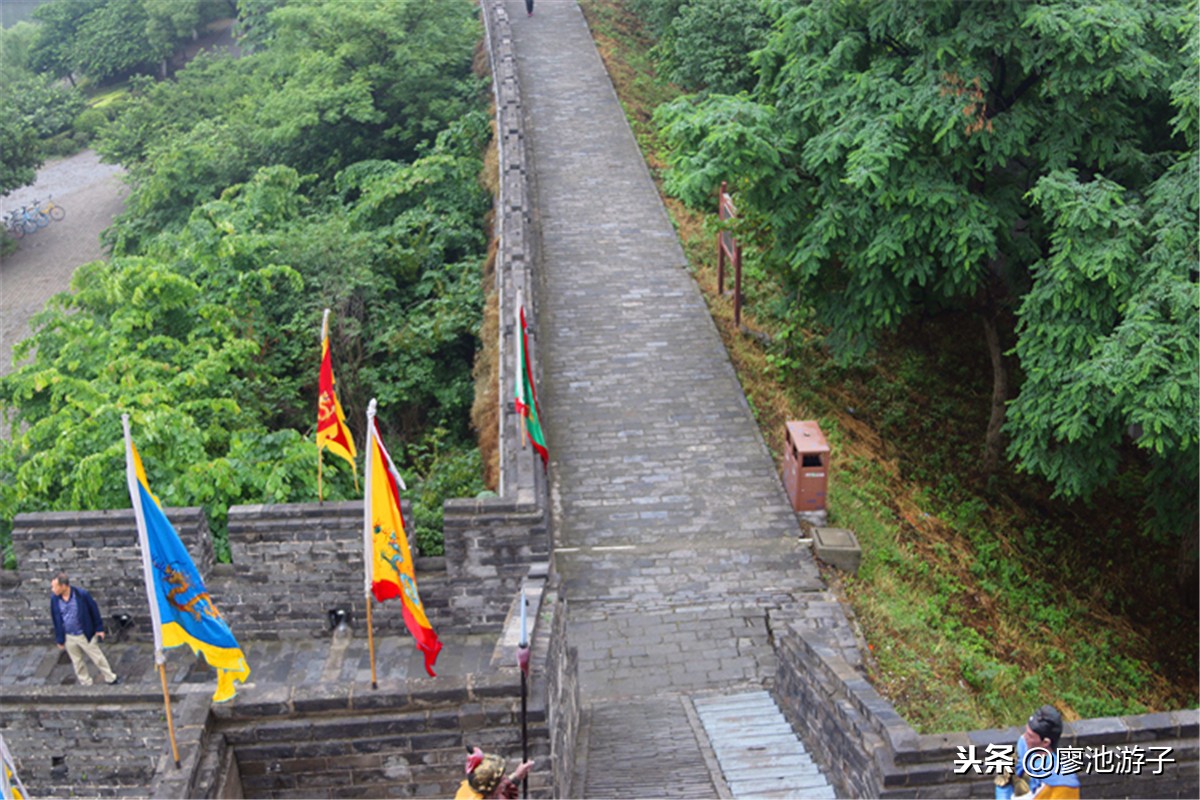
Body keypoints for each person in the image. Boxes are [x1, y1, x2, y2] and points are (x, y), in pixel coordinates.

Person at [49, 572, 120, 686]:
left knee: (97, 658)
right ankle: (85, 682)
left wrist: (99, 628)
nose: (53, 590)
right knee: (77, 662)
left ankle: (110, 677)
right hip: (69, 636)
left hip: (84, 633)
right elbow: (56, 619)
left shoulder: (81, 595)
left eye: (54, 587)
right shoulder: (55, 599)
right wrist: (60, 638)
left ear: (63, 586)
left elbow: (94, 610)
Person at [1013, 705, 1080, 799]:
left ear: (1045, 742)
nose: (1024, 737)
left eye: (1030, 736)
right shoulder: (1023, 747)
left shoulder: (1063, 781)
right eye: (1026, 731)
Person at [455, 747, 534, 800]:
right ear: (493, 790)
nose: (505, 778)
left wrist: (517, 776)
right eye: (501, 779)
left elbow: (504, 788)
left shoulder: (476, 789)